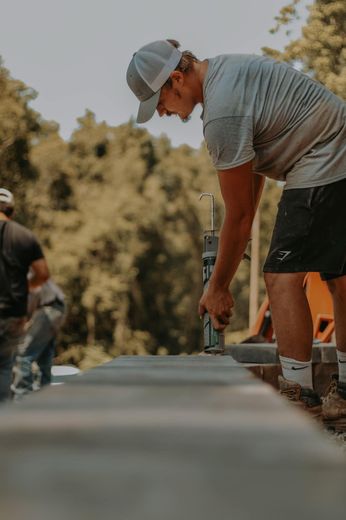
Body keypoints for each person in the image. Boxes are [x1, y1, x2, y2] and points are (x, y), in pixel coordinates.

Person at [126, 39, 346, 426]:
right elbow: (251, 186)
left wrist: (218, 288)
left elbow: (240, 215)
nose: (161, 113)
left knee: (281, 277)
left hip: (324, 156)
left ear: (177, 79)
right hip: (337, 144)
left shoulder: (221, 117)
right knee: (339, 280)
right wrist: (223, 277)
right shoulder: (227, 71)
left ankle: (299, 395)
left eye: (159, 102)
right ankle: (344, 395)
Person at [0, 188, 49, 402]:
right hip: (13, 313)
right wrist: (28, 285)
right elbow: (43, 274)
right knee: (4, 367)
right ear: (11, 209)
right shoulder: (25, 236)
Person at [12, 278, 66, 396]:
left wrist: (25, 318)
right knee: (44, 356)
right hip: (57, 307)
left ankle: (22, 398)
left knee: (23, 355)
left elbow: (34, 291)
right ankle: (44, 396)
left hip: (48, 309)